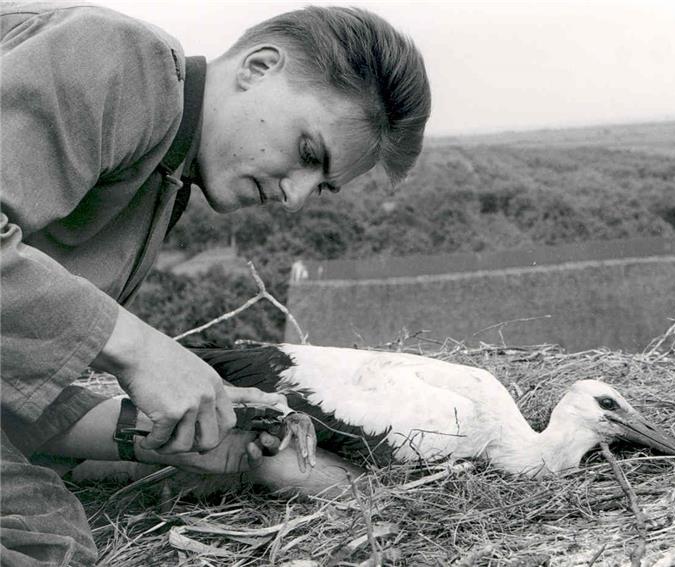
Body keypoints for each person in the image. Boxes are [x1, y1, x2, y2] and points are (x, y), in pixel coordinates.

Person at [0, 1, 431, 565]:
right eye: (307, 153)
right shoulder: (125, 62)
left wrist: (159, 433)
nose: (294, 197)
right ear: (258, 67)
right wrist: (140, 351)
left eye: (321, 187)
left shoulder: (163, 180)